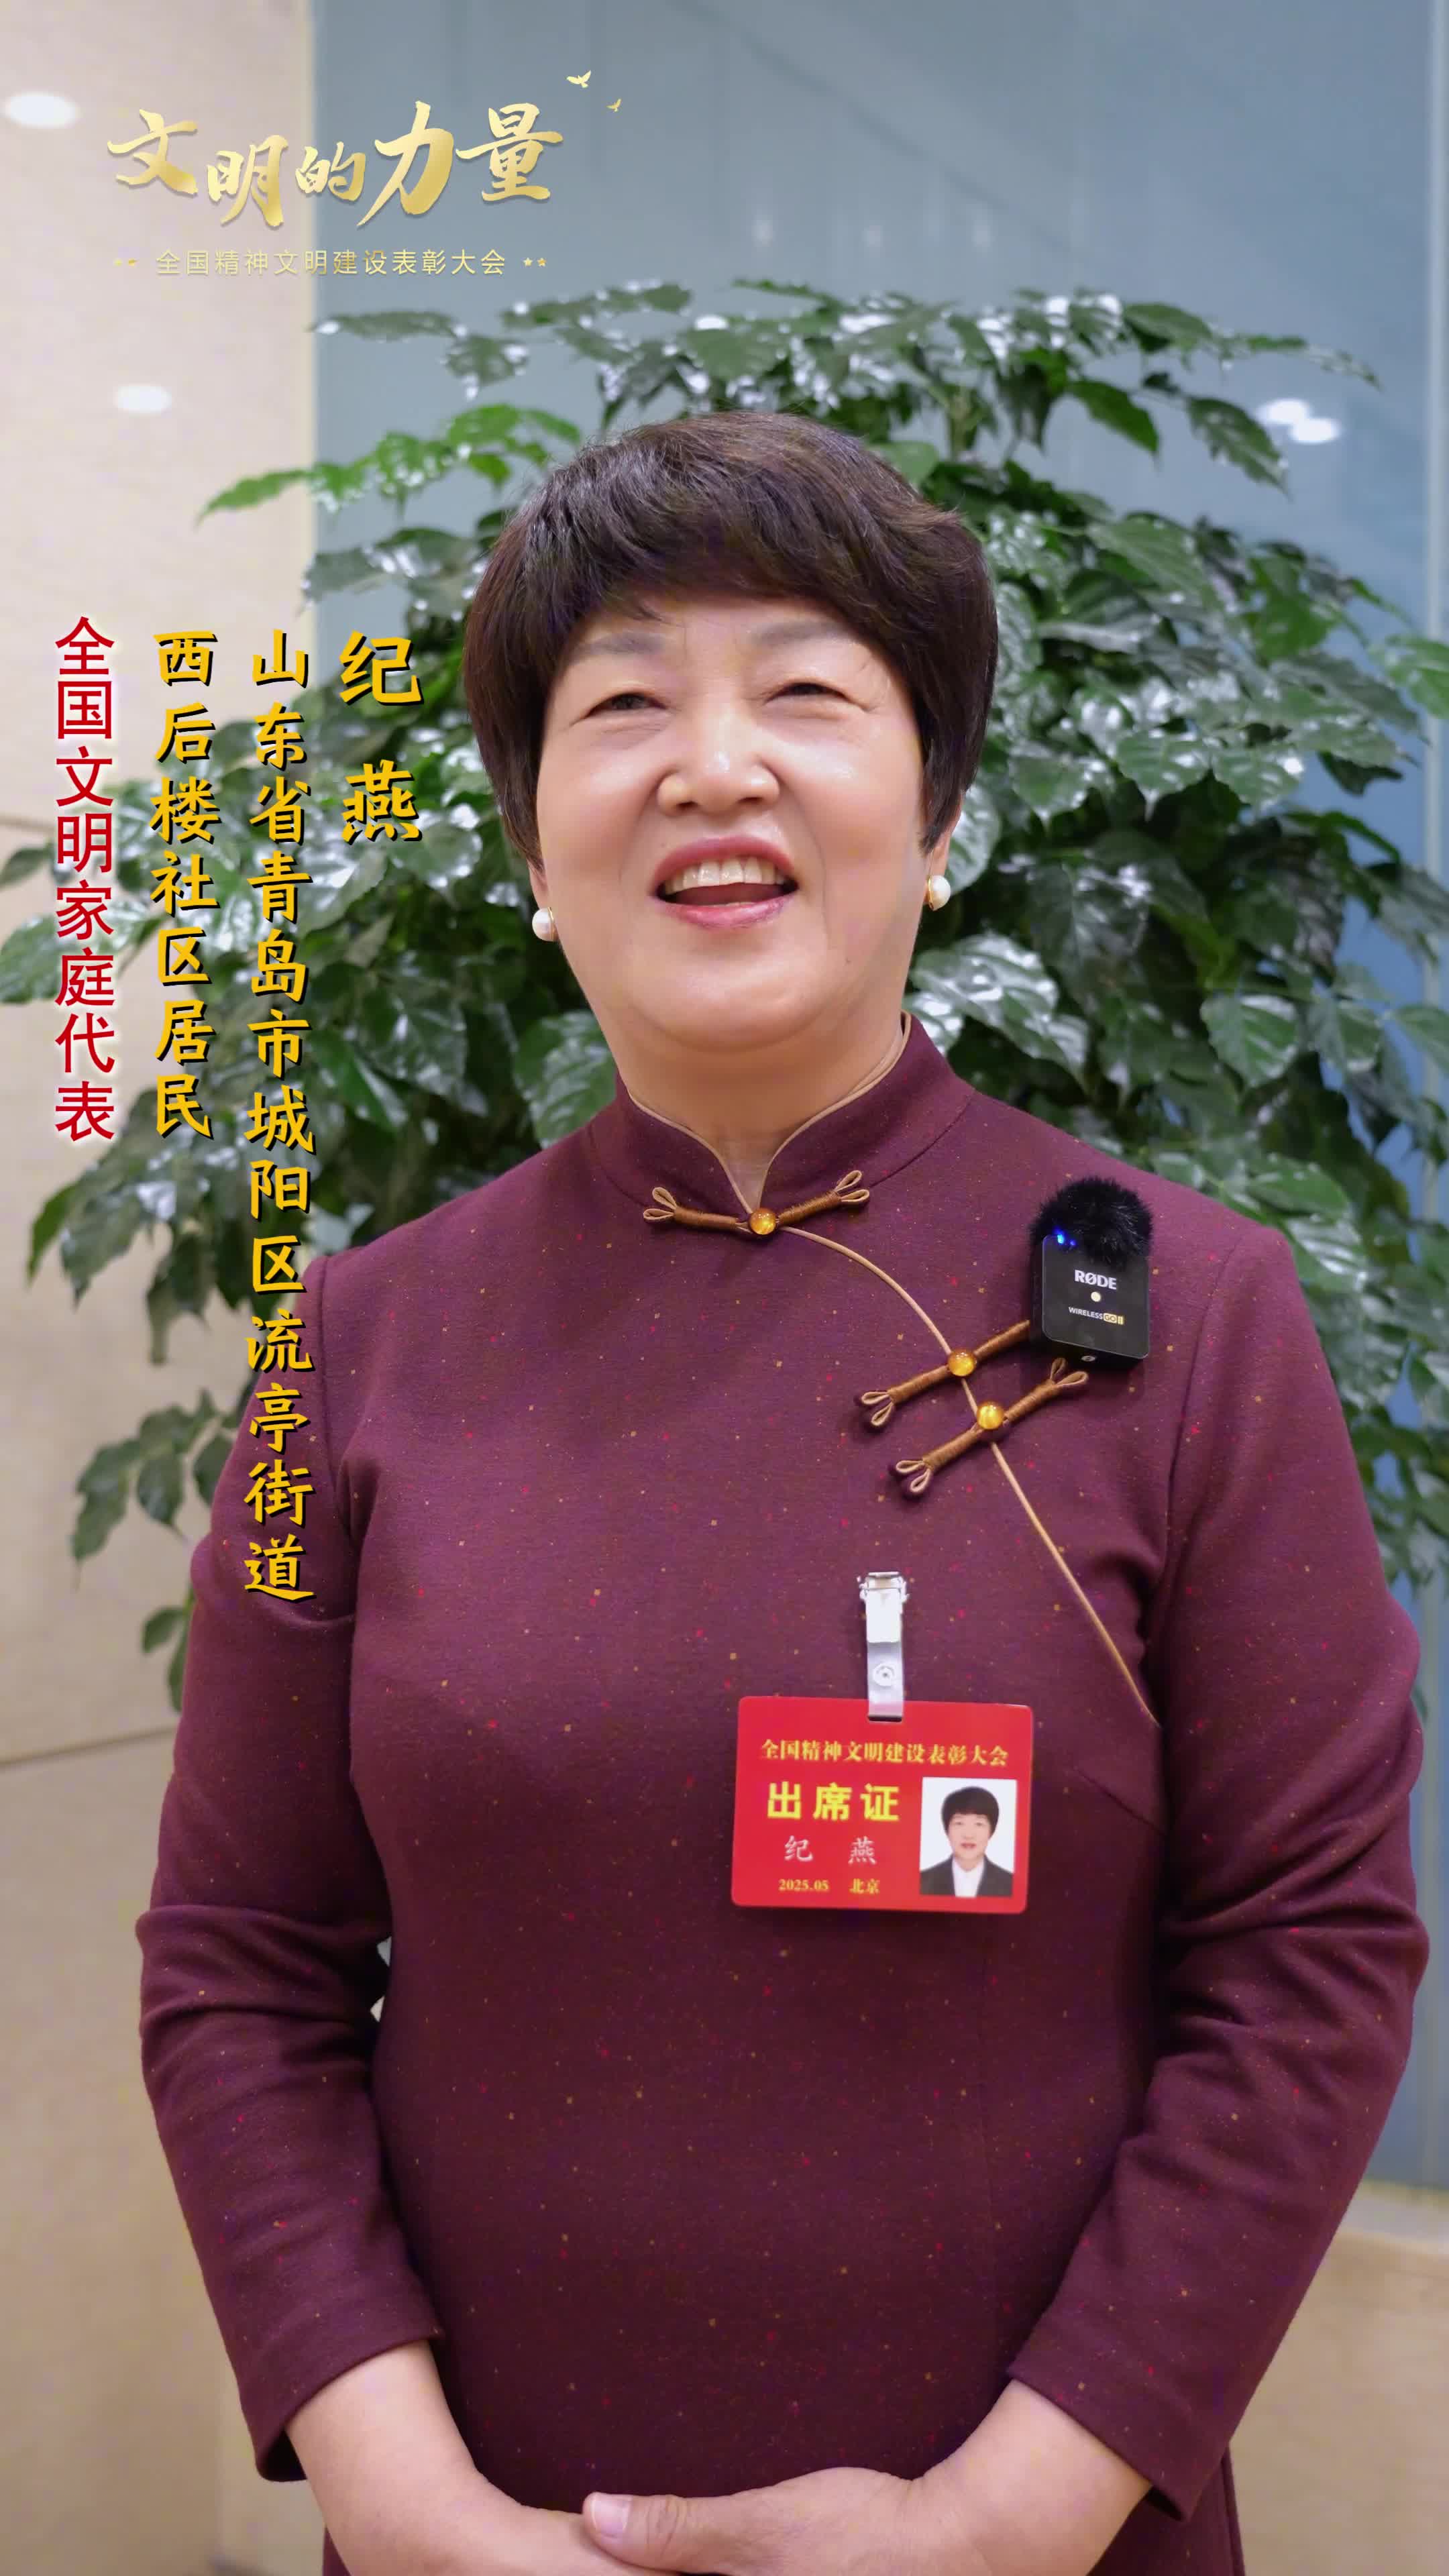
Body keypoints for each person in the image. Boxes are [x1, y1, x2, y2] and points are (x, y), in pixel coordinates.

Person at [136, 408, 1428, 2576]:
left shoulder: (1198, 1314)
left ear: (939, 822)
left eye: (807, 693)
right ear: (534, 849)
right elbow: (237, 1964)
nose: (712, 766)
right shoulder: (349, 1347)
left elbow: (1307, 1956)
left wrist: (1008, 2519)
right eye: (623, 705)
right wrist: (400, 2498)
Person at [920, 1787, 1014, 1898]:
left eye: (979, 1824)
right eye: (959, 1823)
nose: (968, 1835)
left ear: (991, 1831)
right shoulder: (923, 1882)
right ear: (947, 1830)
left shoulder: (1011, 1885)